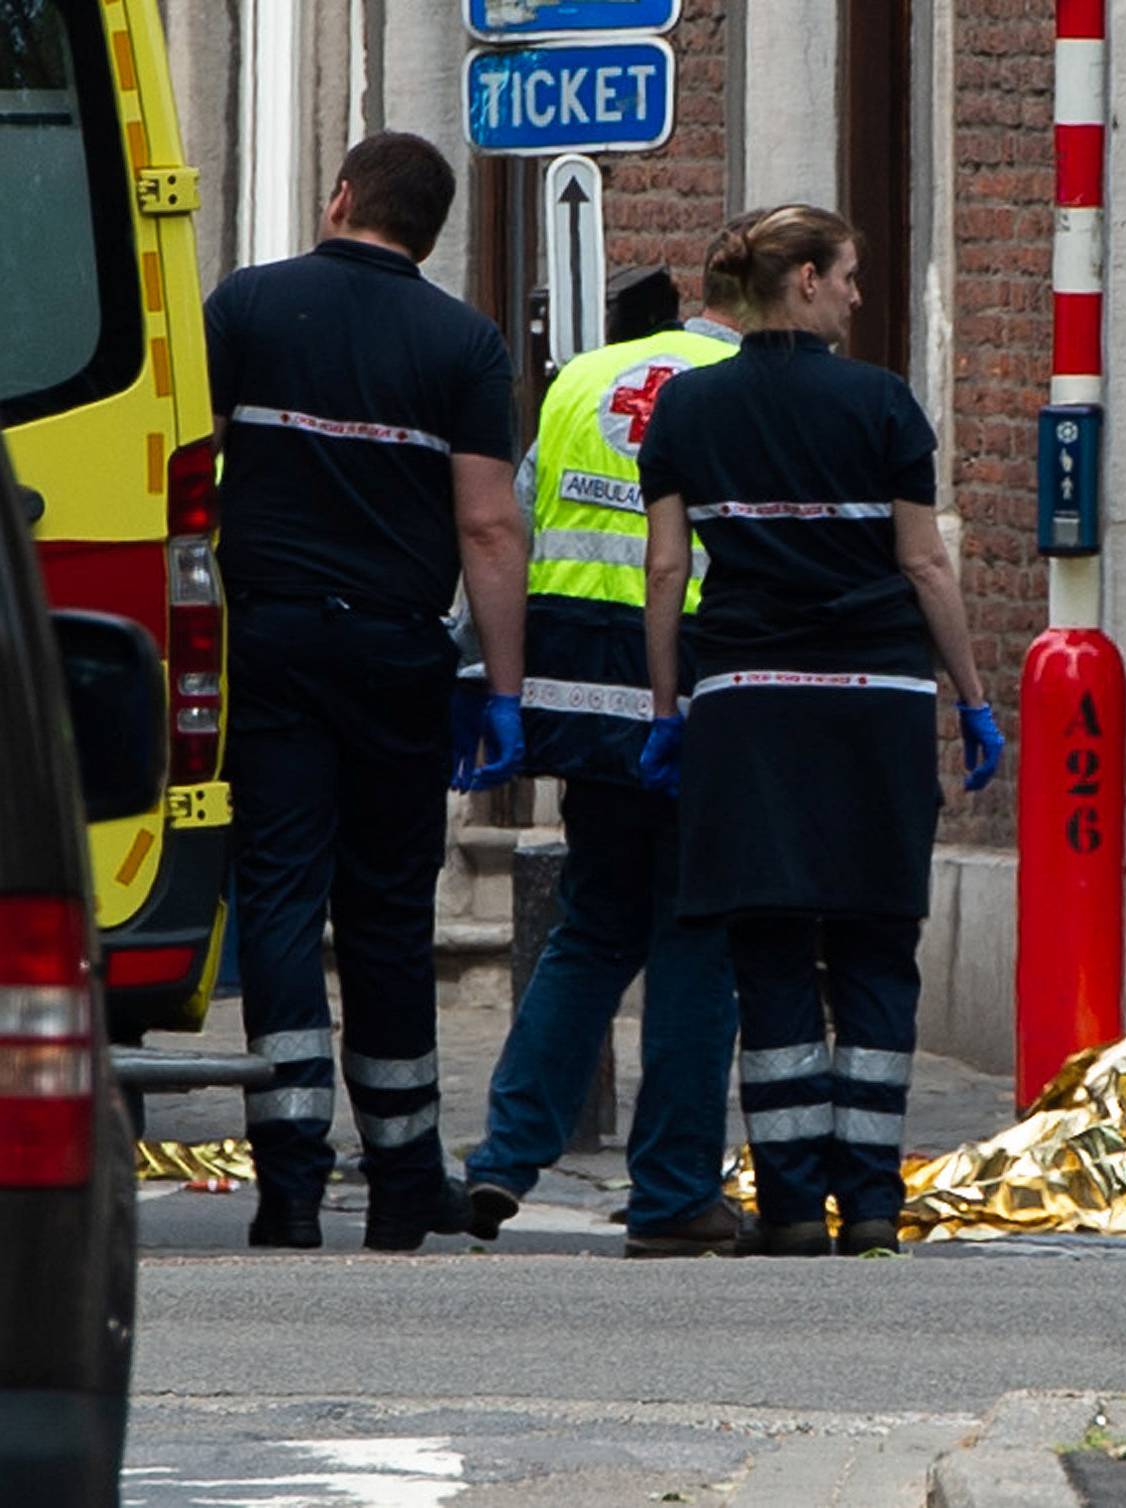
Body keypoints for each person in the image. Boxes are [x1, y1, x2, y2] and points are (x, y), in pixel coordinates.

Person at [635, 204, 1006, 1257]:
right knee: (878, 947)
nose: (855, 293)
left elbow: (666, 571)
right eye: (847, 275)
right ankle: (875, 1207)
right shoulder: (882, 404)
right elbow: (925, 565)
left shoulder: (689, 411)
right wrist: (971, 694)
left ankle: (794, 1205)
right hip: (873, 708)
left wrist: (668, 709)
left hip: (747, 706)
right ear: (802, 279)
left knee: (772, 953)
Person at [205, 132, 528, 1250]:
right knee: (389, 908)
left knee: (283, 890)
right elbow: (487, 522)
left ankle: (289, 1183)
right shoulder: (464, 342)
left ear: (341, 197)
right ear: (428, 232)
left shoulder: (246, 307)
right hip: (396, 652)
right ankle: (400, 1182)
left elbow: (187, 472)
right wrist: (502, 685)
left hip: (274, 642)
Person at [462, 227, 752, 1257]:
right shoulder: (750, 382)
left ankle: (503, 1155)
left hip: (580, 683)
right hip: (694, 688)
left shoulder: (583, 376)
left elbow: (522, 522)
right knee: (694, 938)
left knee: (593, 926)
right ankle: (674, 1188)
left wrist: (488, 682)